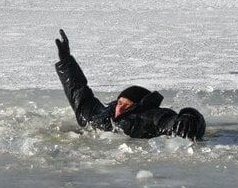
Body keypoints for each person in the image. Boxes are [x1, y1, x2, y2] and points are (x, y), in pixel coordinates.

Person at [54, 29, 205, 141]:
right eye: (120, 102)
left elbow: (171, 121)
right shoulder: (101, 115)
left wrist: (189, 116)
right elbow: (79, 93)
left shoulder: (152, 115)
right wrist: (66, 61)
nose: (120, 107)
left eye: (128, 104)